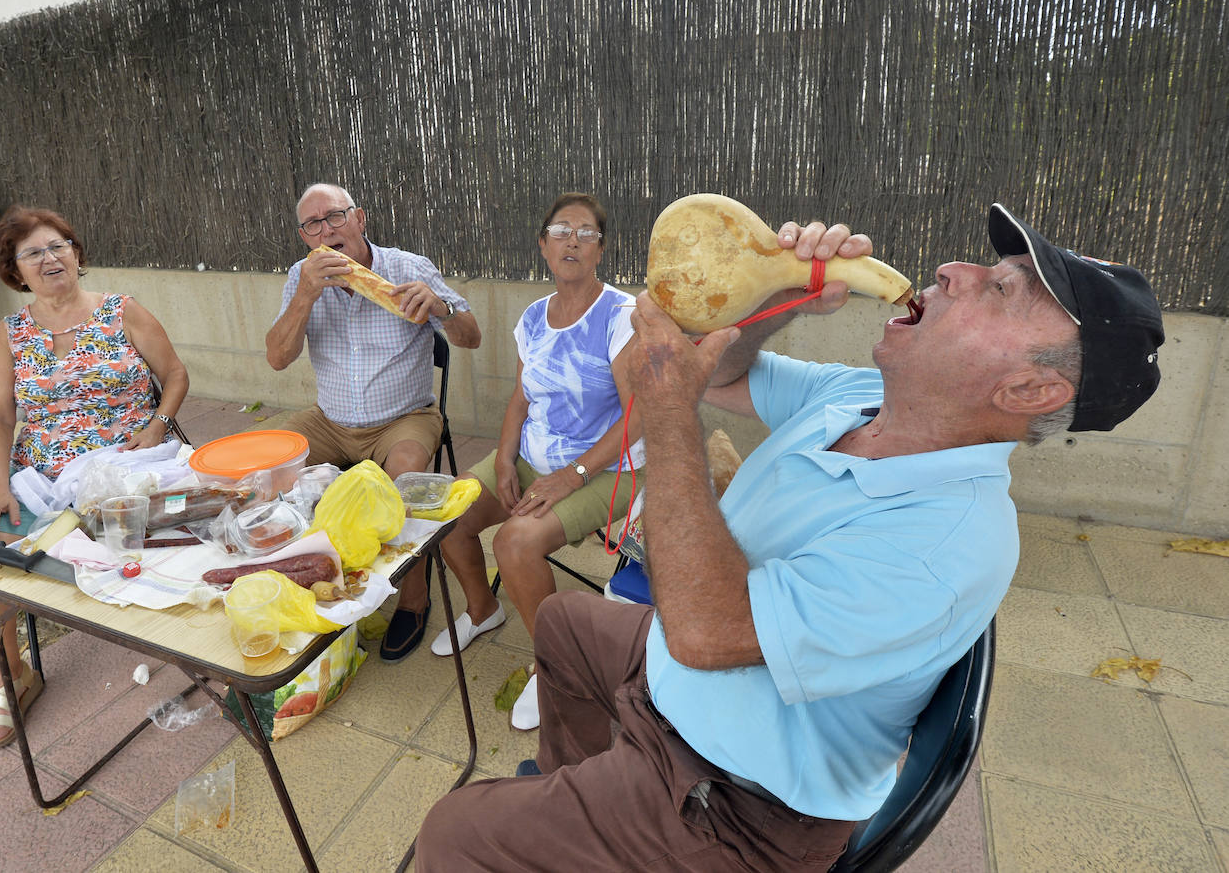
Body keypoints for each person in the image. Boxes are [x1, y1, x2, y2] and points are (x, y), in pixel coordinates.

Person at [414, 204, 1164, 870]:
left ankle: (586, 823)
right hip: (686, 690)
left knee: (449, 835)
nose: (954, 269)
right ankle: (573, 813)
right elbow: (726, 377)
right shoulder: (866, 396)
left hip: (734, 804)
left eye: (1001, 290)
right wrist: (775, 299)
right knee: (562, 623)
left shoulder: (950, 543)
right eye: (987, 266)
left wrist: (665, 408)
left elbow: (705, 632)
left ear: (1030, 391)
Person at [0, 206, 189, 746]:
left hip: (130, 467)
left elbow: (174, 375)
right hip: (44, 477)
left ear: (77, 255)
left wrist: (158, 425)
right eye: (32, 252)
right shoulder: (9, 333)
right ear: (16, 270)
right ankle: (13, 677)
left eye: (58, 245)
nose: (49, 258)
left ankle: (209, 653)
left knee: (189, 540)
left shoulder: (121, 310)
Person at [432, 192, 645, 731]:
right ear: (543, 245)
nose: (572, 240)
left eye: (586, 232)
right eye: (561, 230)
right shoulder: (531, 318)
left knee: (515, 541)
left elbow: (639, 416)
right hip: (534, 458)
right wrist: (503, 457)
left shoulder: (621, 316)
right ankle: (484, 608)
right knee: (451, 510)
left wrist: (570, 476)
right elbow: (522, 398)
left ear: (601, 249)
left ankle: (555, 666)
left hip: (608, 467)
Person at [265, 182, 481, 661]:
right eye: (313, 225)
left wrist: (441, 308)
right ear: (305, 237)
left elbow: (471, 337)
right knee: (265, 469)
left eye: (336, 217)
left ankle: (413, 596)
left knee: (405, 478)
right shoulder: (301, 277)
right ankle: (309, 578)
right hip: (331, 419)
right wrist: (304, 294)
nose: (327, 230)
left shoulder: (408, 267)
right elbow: (277, 357)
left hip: (404, 416)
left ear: (359, 219)